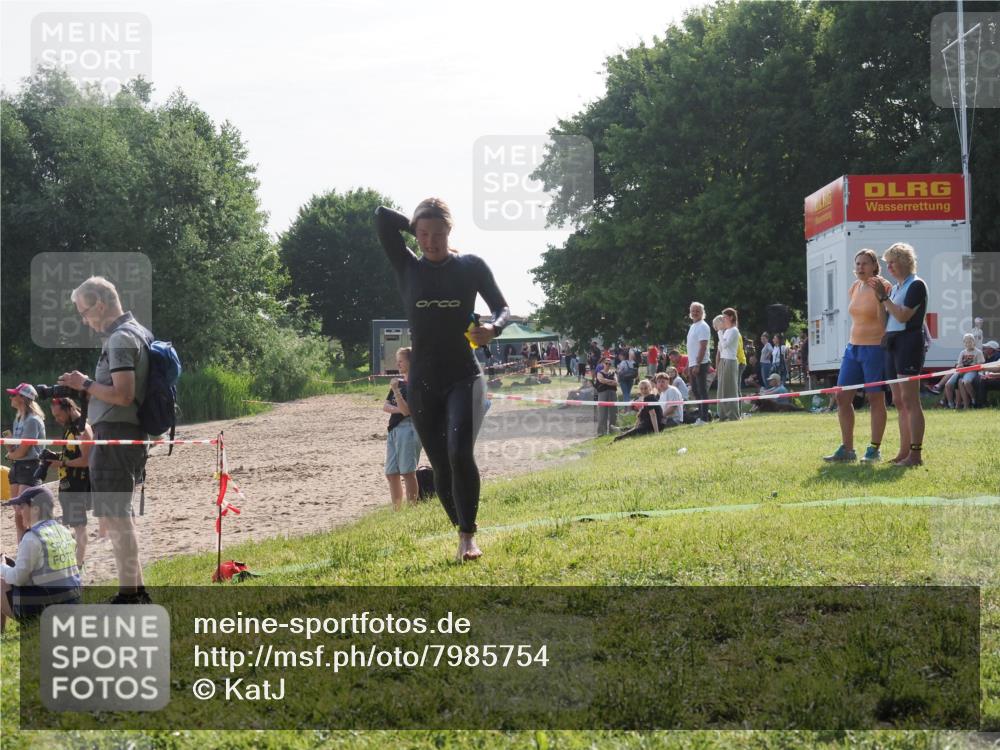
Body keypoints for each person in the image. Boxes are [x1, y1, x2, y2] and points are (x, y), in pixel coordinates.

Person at [375, 199, 509, 562]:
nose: (431, 242)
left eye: (438, 234)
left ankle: (469, 535)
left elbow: (502, 308)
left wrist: (492, 329)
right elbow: (381, 218)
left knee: (459, 452)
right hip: (423, 382)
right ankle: (459, 526)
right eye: (423, 235)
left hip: (464, 375)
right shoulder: (407, 266)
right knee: (440, 464)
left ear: (451, 232)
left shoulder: (470, 267)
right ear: (416, 234)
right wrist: (416, 222)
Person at [58, 276, 152, 603]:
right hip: (121, 435)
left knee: (116, 515)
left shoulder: (120, 339)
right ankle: (135, 591)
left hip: (116, 435)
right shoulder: (136, 332)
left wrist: (84, 384)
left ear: (100, 303)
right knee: (117, 515)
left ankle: (130, 594)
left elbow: (123, 395)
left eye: (85, 312)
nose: (85, 320)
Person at [824, 249, 891, 463]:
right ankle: (847, 449)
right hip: (853, 348)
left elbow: (885, 322)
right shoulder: (854, 286)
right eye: (858, 263)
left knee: (875, 397)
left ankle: (874, 449)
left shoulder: (883, 286)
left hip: (875, 348)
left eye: (865, 263)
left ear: (874, 265)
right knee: (842, 397)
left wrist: (881, 298)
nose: (860, 267)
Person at [872, 242, 928, 466]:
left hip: (909, 342)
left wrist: (885, 300)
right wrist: (880, 299)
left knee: (909, 399)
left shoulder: (916, 285)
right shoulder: (895, 288)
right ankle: (903, 452)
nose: (889, 267)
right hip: (892, 342)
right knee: (897, 399)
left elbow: (903, 316)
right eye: (888, 264)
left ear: (905, 261)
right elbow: (884, 320)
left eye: (892, 262)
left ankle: (915, 454)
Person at [1, 486, 81, 632]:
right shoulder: (63, 530)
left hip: (46, 609)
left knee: (1, 581)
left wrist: (2, 567)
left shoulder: (32, 537)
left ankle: (2, 634)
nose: (19, 511)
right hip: (72, 602)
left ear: (36, 509)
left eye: (22, 506)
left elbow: (18, 578)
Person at [47, 397, 93, 567]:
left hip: (77, 484)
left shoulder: (82, 428)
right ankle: (75, 561)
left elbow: (87, 460)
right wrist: (55, 456)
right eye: (54, 416)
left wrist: (62, 463)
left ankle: (78, 565)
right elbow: (72, 454)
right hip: (68, 483)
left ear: (69, 409)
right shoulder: (70, 427)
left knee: (79, 526)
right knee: (73, 524)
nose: (57, 419)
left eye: (59, 415)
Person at [4, 383, 46, 542]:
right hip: (18, 467)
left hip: (30, 467)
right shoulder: (19, 419)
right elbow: (17, 448)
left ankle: (36, 548)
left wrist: (10, 454)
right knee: (18, 513)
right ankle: (22, 549)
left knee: (26, 513)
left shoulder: (32, 420)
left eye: (14, 394)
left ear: (23, 398)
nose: (11, 397)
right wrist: (10, 445)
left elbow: (23, 451)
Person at [383, 347, 422, 511]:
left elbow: (408, 411)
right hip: (394, 429)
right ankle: (397, 509)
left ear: (410, 362)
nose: (398, 363)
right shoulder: (398, 382)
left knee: (407, 472)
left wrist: (397, 393)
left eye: (401, 360)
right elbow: (386, 406)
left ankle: (412, 508)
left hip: (409, 429)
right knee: (391, 473)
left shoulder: (415, 384)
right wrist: (400, 408)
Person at [686, 302, 712, 424]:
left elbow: (703, 347)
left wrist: (697, 364)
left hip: (700, 363)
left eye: (697, 310)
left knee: (702, 391)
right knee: (695, 391)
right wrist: (688, 365)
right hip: (692, 363)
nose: (695, 313)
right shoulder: (692, 326)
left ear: (702, 313)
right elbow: (691, 348)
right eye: (693, 310)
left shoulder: (703, 326)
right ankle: (703, 415)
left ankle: (704, 418)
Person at [943, 334, 985, 410]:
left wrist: (970, 368)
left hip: (972, 371)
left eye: (970, 341)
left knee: (966, 382)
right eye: (966, 342)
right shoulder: (962, 352)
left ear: (974, 342)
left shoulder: (978, 352)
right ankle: (950, 404)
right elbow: (958, 364)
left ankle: (973, 398)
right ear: (964, 343)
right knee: (948, 384)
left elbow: (980, 365)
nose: (968, 344)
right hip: (962, 371)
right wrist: (959, 366)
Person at [716, 308, 742, 421]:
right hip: (723, 360)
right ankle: (722, 414)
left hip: (730, 361)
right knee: (721, 389)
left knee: (730, 389)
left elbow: (725, 345)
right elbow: (721, 347)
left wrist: (719, 332)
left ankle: (733, 415)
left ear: (731, 317)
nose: (724, 320)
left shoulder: (734, 330)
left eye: (725, 317)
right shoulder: (726, 331)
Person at [593, 356, 619, 436]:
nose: (608, 365)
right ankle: (601, 432)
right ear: (603, 364)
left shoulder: (613, 373)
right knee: (602, 413)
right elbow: (601, 380)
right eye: (606, 363)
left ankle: (613, 431)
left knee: (613, 413)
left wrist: (607, 381)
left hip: (613, 393)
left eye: (609, 363)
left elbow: (616, 382)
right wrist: (610, 381)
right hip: (602, 393)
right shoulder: (599, 372)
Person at [974, 340, 1000, 408]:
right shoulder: (988, 357)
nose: (984, 349)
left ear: (991, 349)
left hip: (997, 379)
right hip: (994, 378)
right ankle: (975, 403)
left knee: (983, 381)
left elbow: (997, 369)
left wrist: (987, 373)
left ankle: (981, 405)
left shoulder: (998, 356)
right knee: (977, 380)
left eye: (986, 348)